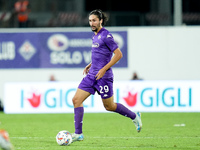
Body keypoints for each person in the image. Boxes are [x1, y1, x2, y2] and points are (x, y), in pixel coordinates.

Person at [71, 9, 142, 142]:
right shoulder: (94, 35)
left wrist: (103, 69)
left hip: (104, 77)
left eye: (94, 20)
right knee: (76, 100)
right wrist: (91, 64)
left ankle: (134, 116)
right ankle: (78, 134)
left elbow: (119, 54)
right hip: (92, 75)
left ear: (101, 21)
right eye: (90, 20)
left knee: (109, 106)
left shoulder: (106, 35)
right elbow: (102, 55)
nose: (92, 23)